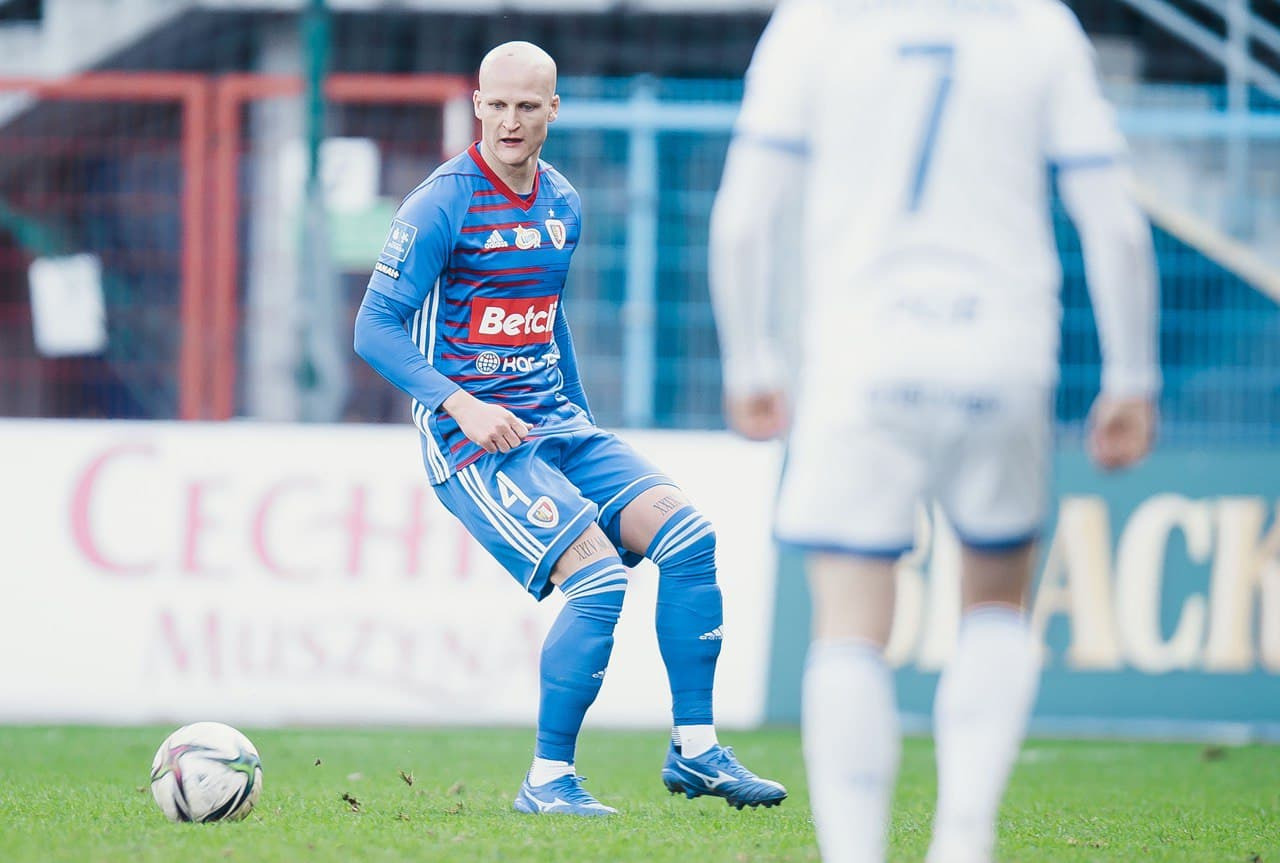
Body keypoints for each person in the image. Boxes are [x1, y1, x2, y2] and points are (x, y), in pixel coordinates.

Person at [709, 1, 1158, 861]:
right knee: (995, 600)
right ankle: (963, 837)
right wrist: (1132, 377)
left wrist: (750, 361)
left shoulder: (816, 23)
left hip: (862, 353)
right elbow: (1116, 224)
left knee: (848, 620)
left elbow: (742, 219)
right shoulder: (1037, 25)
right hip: (1003, 348)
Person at [353, 40, 786, 817]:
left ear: (553, 109)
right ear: (476, 105)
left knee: (691, 539)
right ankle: (548, 780)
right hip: (475, 443)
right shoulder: (440, 203)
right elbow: (373, 327)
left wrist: (580, 414)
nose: (509, 122)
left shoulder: (562, 201)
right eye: (496, 105)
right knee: (599, 580)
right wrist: (461, 404)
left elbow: (547, 318)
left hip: (560, 425)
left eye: (527, 106)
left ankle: (696, 750)